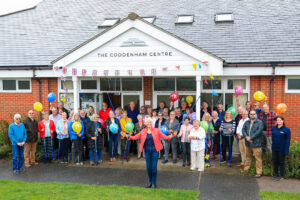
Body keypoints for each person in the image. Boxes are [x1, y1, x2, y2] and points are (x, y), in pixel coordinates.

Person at [122, 117, 173, 189]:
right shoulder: (143, 131)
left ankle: (154, 183)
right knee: (149, 168)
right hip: (147, 151)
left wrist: (172, 135)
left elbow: (165, 137)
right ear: (145, 124)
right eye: (147, 122)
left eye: (150, 122)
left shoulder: (157, 130)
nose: (149, 123)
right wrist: (127, 136)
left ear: (152, 123)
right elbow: (135, 137)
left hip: (155, 151)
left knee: (154, 168)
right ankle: (150, 182)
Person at [242, 110, 264, 178]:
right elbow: (243, 130)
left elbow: (259, 131)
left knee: (258, 158)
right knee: (248, 157)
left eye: (254, 114)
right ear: (249, 115)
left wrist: (251, 137)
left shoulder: (259, 122)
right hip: (248, 143)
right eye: (251, 114)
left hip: (256, 143)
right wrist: (246, 137)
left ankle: (259, 172)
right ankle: (246, 169)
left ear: (256, 115)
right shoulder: (247, 122)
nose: (252, 115)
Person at [272, 116, 291, 180]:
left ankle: (281, 175)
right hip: (275, 148)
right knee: (275, 161)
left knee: (281, 162)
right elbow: (272, 138)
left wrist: (286, 150)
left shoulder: (286, 129)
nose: (279, 121)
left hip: (282, 149)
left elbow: (287, 141)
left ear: (283, 121)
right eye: (277, 120)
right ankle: (275, 173)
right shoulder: (274, 128)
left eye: (280, 120)